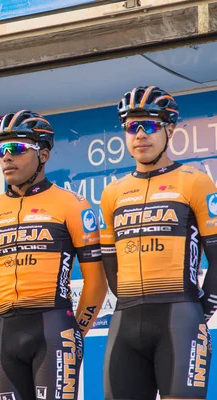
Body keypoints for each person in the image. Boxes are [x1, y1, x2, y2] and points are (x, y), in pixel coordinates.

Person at [0, 110, 107, 400]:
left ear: (44, 155)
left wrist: (75, 331)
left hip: (54, 331)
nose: (6, 157)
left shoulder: (72, 205)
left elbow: (97, 284)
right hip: (9, 332)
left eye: (17, 148)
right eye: (1, 150)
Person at [100, 86, 217, 399]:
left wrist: (201, 310)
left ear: (170, 128)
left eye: (149, 125)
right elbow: (109, 265)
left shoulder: (195, 181)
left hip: (179, 320)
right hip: (125, 321)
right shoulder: (112, 193)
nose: (140, 135)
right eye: (131, 127)